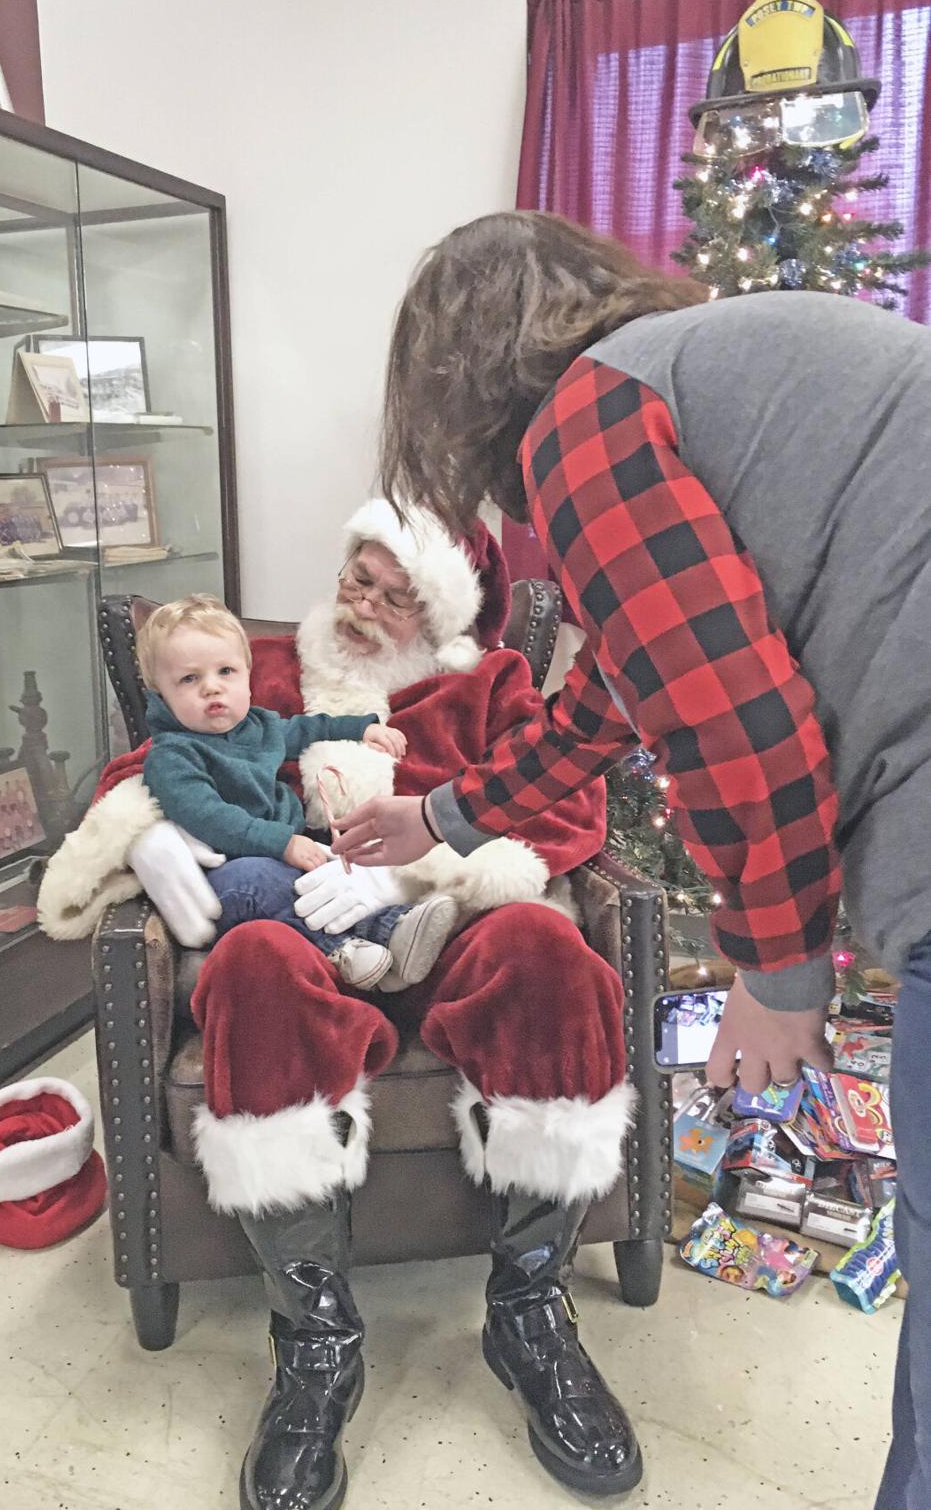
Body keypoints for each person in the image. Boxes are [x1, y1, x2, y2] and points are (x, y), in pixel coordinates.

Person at [330, 209, 931, 1510]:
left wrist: (775, 970)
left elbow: (729, 716)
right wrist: (433, 821)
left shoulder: (588, 421)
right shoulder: (696, 379)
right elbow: (608, 704)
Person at [38, 496, 641, 1507]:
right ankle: (317, 1347)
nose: (357, 603)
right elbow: (154, 748)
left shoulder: (490, 684)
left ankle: (530, 1313)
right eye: (352, 578)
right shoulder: (273, 671)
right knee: (250, 966)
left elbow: (568, 801)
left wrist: (418, 871)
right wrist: (142, 825)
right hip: (298, 925)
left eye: (389, 593)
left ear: (440, 612)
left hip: (447, 921)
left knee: (552, 951)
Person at [135, 592, 460, 990]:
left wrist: (364, 727)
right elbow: (209, 816)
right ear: (159, 695)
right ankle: (343, 950)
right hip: (223, 877)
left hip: (287, 853)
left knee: (333, 874)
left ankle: (394, 934)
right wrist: (282, 842)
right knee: (258, 880)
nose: (211, 689)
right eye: (189, 679)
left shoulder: (256, 728)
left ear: (246, 675)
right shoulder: (172, 756)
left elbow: (308, 729)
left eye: (226, 672)